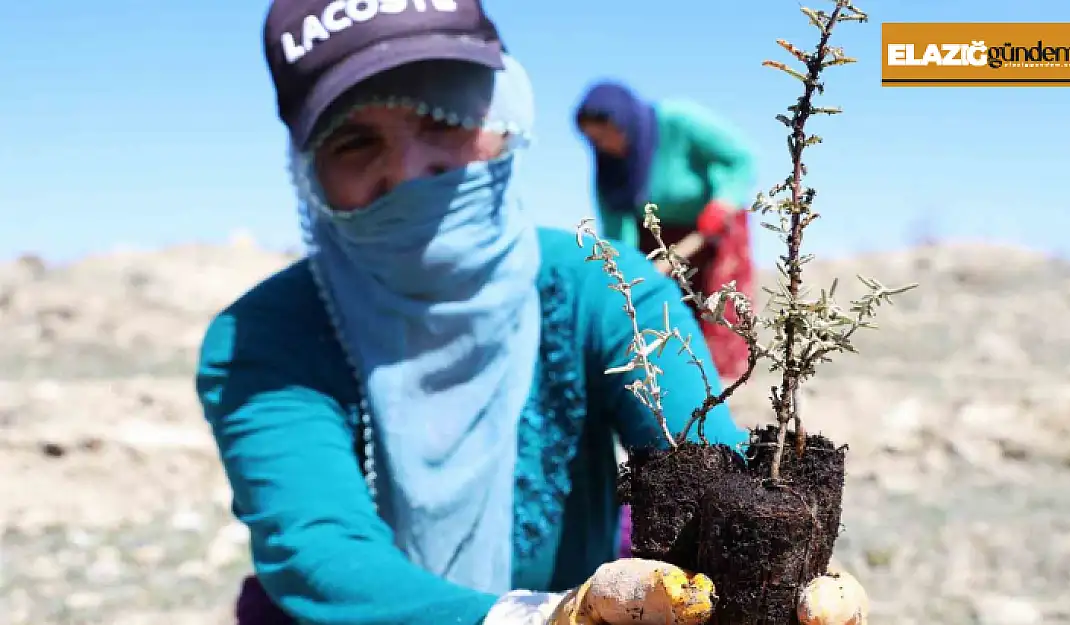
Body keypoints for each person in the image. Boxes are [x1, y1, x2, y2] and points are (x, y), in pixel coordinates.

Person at [196, 1, 869, 624]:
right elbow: (322, 556)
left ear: (505, 114)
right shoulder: (263, 337)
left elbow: (703, 468)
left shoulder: (604, 289)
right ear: (310, 172)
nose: (412, 169)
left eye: (444, 115)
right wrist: (540, 617)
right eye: (354, 143)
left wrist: (770, 573)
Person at [574, 81, 758, 379]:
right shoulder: (610, 172)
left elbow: (740, 158)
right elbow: (619, 230)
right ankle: (675, 383)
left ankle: (726, 389)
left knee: (719, 311)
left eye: (608, 133)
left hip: (711, 228)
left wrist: (723, 202)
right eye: (595, 140)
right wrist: (630, 271)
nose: (605, 144)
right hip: (658, 240)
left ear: (625, 121)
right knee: (662, 316)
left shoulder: (678, 121)